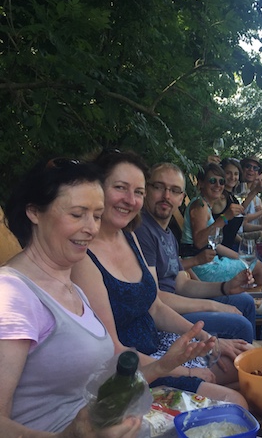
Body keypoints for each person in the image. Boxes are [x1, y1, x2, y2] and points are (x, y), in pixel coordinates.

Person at [0, 158, 210, 436]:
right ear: (34, 212)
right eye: (77, 214)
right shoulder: (14, 293)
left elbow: (96, 386)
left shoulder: (69, 286)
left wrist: (164, 365)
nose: (91, 228)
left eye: (97, 216)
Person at [71, 150, 249, 405]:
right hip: (135, 370)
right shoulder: (84, 257)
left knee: (248, 362)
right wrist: (184, 371)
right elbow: (112, 350)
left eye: (138, 192)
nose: (130, 200)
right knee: (236, 400)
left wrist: (208, 339)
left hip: (161, 345)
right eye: (120, 188)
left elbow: (155, 306)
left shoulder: (128, 236)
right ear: (97, 188)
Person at [135, 162, 255, 343]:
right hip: (161, 317)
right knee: (239, 325)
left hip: (178, 299)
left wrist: (225, 287)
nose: (166, 196)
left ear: (181, 196)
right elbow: (154, 298)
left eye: (174, 190)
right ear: (146, 190)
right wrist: (214, 305)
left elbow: (182, 284)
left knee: (246, 300)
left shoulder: (168, 235)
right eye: (159, 187)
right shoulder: (142, 231)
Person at [180, 163, 262, 286]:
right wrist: (225, 217)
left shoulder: (204, 204)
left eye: (221, 182)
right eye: (212, 181)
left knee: (254, 262)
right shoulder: (199, 205)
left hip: (209, 262)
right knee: (257, 266)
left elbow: (214, 245)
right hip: (201, 268)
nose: (218, 185)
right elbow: (200, 242)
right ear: (200, 183)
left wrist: (241, 257)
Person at [239, 155, 262, 231]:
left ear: (257, 173)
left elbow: (261, 224)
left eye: (255, 168)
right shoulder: (238, 190)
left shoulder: (257, 198)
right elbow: (240, 218)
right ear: (242, 169)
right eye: (248, 166)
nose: (251, 169)